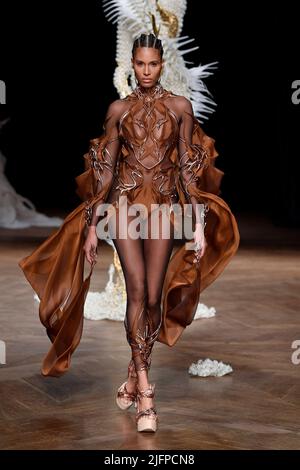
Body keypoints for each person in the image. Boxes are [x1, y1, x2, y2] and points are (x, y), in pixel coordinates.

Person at [19, 33, 240, 433]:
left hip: (165, 210)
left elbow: (190, 171)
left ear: (162, 64)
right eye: (140, 64)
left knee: (154, 296)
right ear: (131, 65)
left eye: (153, 64)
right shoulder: (118, 110)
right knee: (137, 290)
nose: (147, 71)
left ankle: (134, 369)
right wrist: (90, 230)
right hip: (123, 210)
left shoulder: (180, 108)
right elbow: (104, 173)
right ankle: (146, 396)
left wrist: (199, 226)